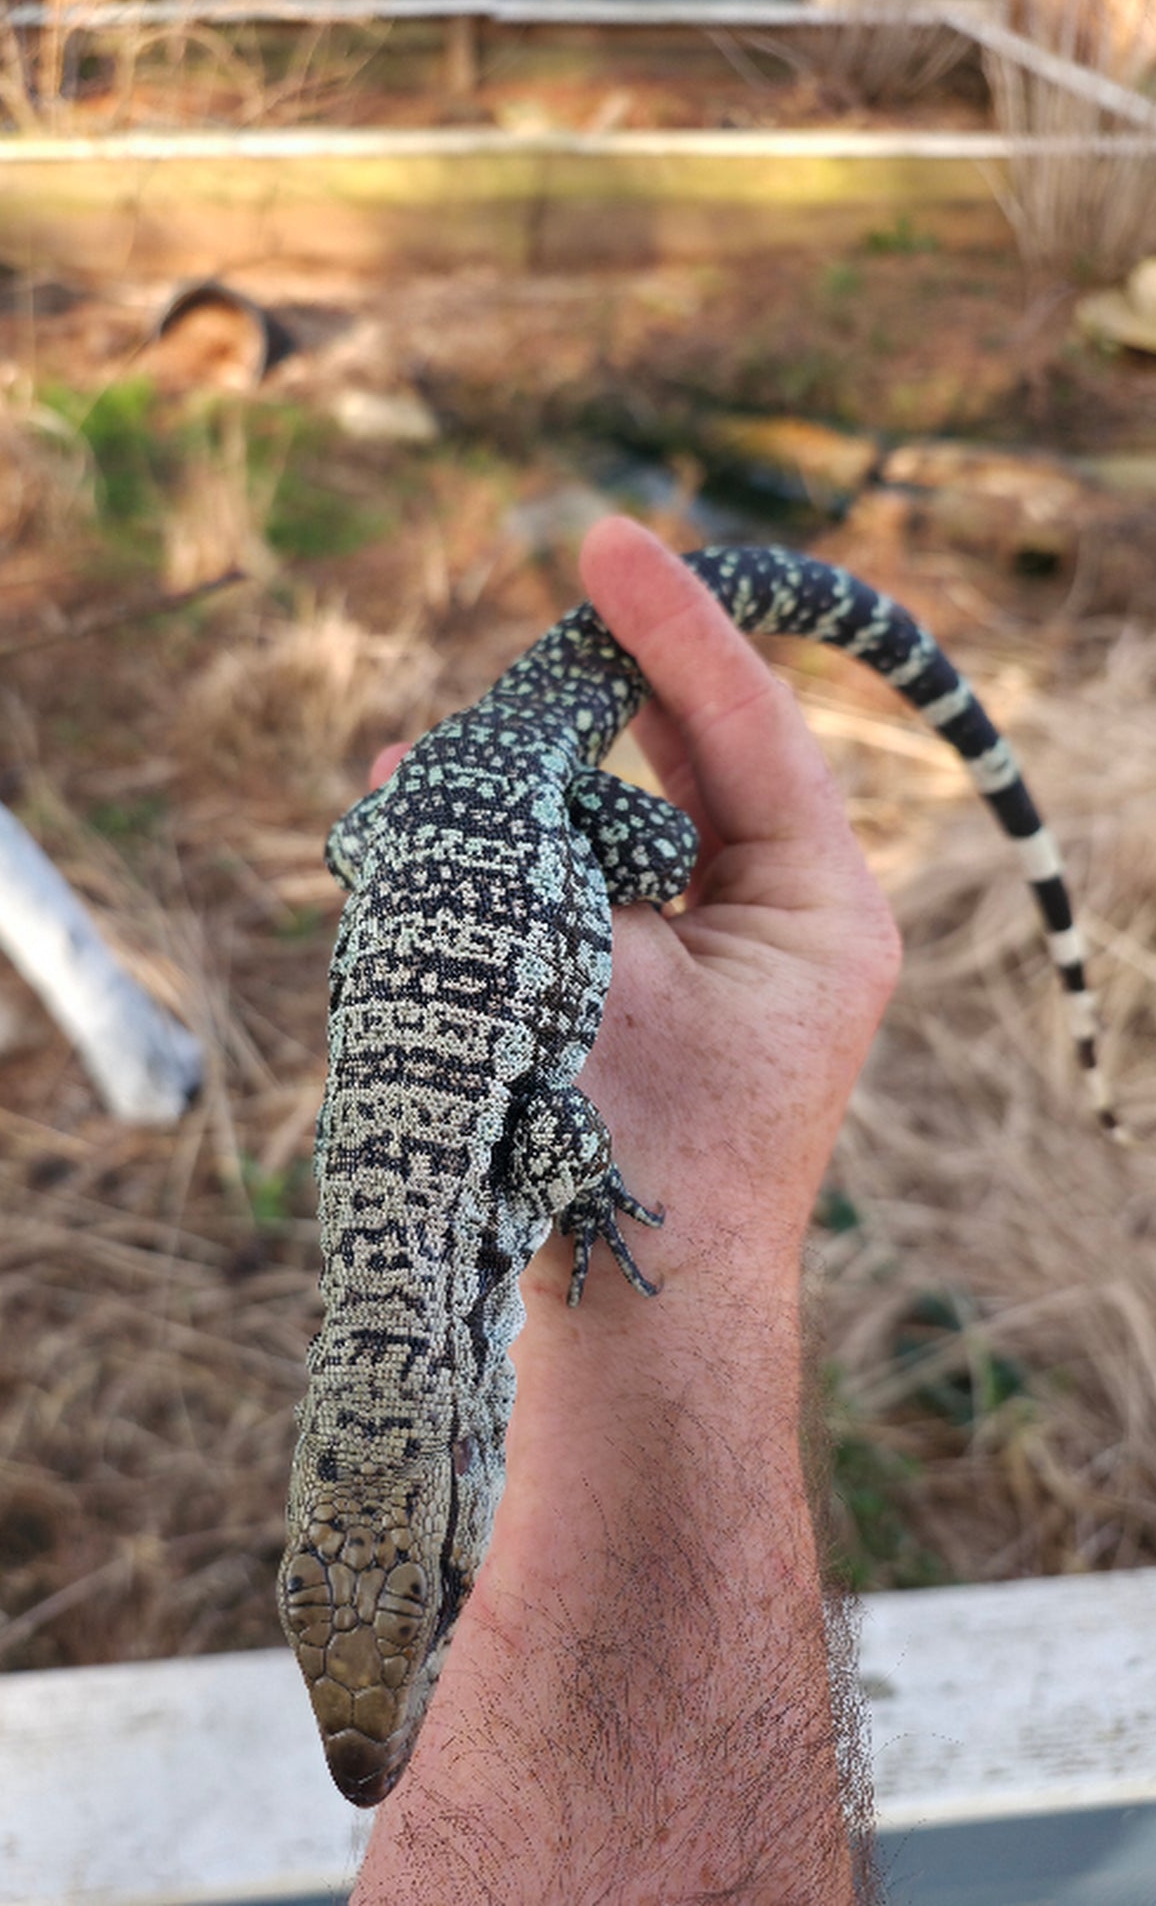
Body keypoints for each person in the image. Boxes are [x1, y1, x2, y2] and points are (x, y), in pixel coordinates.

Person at [350, 517, 901, 1905]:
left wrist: (604, 1195)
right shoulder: (387, 1275)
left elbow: (555, 1126)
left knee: (651, 853)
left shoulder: (437, 1266)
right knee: (378, 825)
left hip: (524, 786)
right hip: (412, 830)